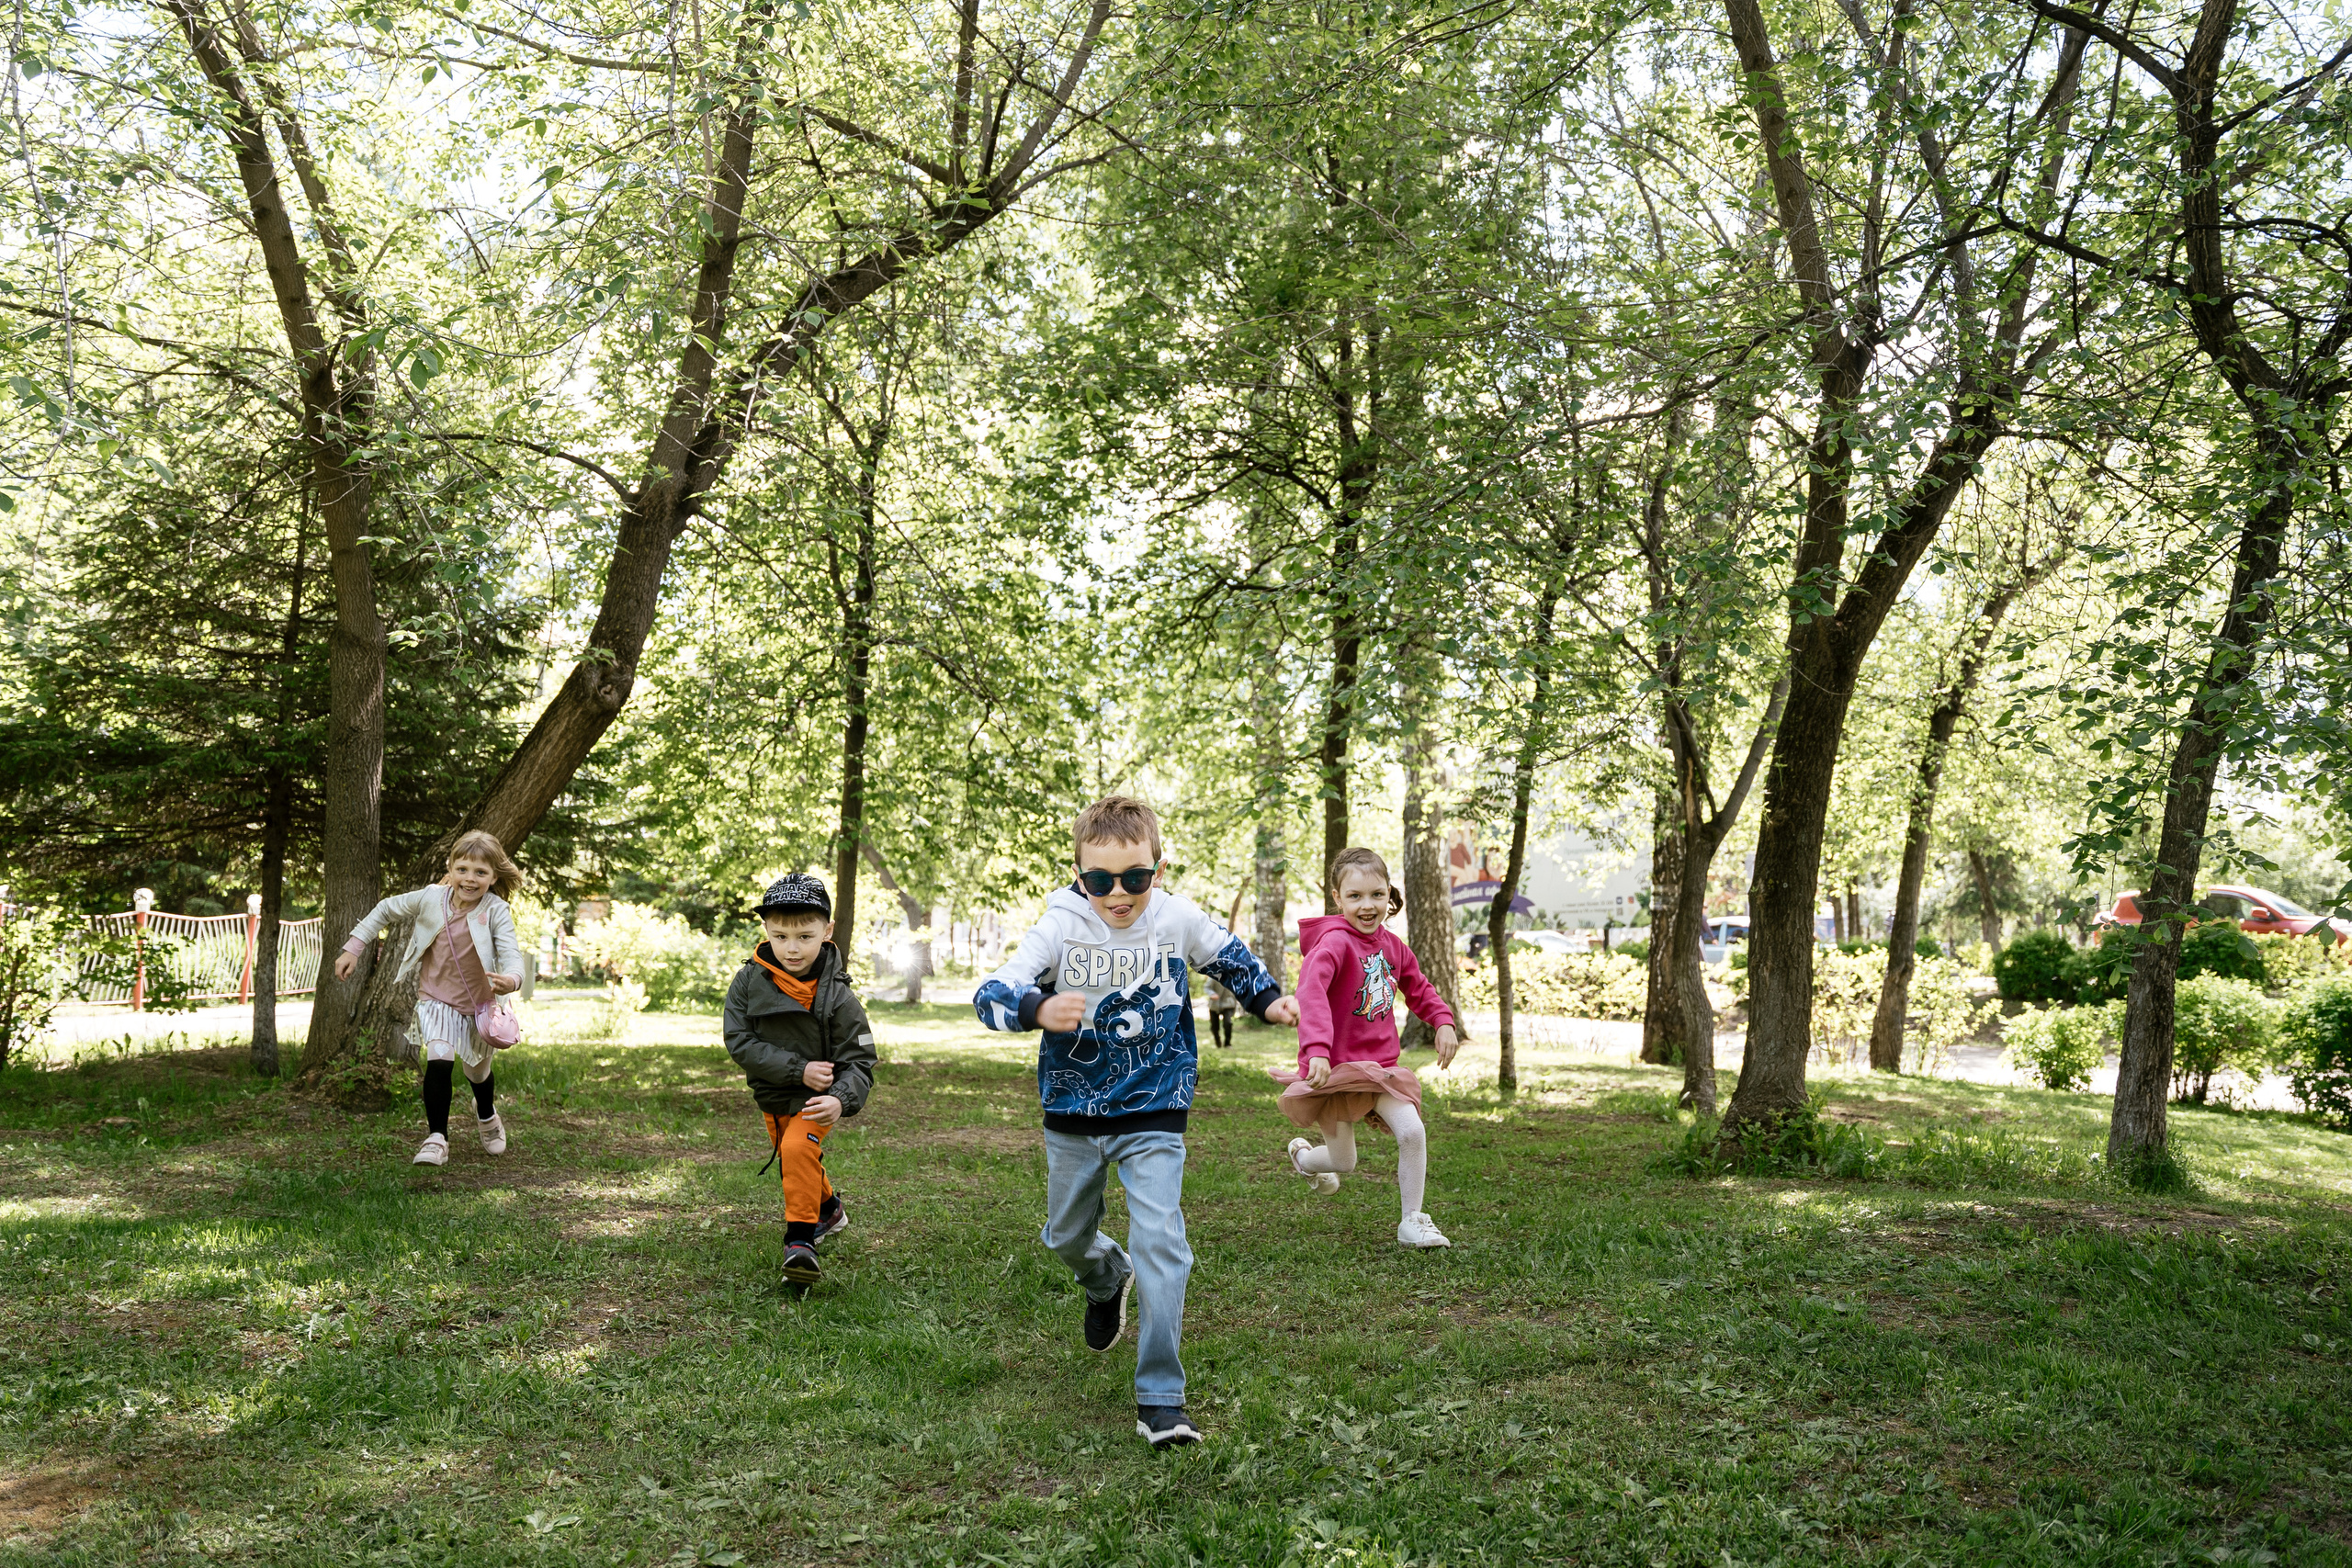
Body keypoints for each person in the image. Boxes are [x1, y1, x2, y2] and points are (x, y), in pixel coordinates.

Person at [973, 795, 1297, 1450]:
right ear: (1078, 873)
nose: (1118, 895)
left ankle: (1162, 1397)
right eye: (1099, 880)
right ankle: (1103, 1275)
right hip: (1073, 1109)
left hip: (1155, 1104)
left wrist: (1267, 1000)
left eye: (1135, 878)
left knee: (1162, 1242)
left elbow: (1228, 955)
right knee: (1065, 1234)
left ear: (1159, 865)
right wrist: (1037, 1007)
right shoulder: (1060, 924)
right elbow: (991, 994)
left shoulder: (1174, 916)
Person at [1277, 847, 1461, 1248]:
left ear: (1388, 895)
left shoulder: (1393, 947)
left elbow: (1420, 988)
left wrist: (1443, 1021)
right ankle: (1306, 1160)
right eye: (1356, 896)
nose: (1368, 905)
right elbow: (1312, 996)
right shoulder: (1332, 945)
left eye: (1377, 894)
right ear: (1337, 898)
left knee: (1412, 1131)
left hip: (1380, 1070)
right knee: (1344, 1162)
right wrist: (1318, 1050)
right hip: (1337, 1072)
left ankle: (1412, 1220)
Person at [721, 873, 876, 1291]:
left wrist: (840, 1099)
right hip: (772, 1091)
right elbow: (739, 1041)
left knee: (796, 1147)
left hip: (819, 1098)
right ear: (767, 931)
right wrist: (796, 1069)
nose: (792, 948)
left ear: (827, 932)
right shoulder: (746, 982)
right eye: (781, 936)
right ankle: (829, 1208)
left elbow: (860, 1059)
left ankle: (800, 1244)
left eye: (805, 936)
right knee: (795, 1156)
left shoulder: (839, 996)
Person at [335, 830, 525, 1167]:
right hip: (436, 999)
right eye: (463, 869)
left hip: (480, 1007)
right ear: (450, 867)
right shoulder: (430, 898)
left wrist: (511, 979)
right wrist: (354, 947)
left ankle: (486, 1113)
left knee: (478, 1073)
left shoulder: (496, 910)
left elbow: (511, 952)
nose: (470, 879)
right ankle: (437, 1138)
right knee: (439, 1059)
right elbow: (385, 909)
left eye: (480, 873)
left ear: (494, 877)